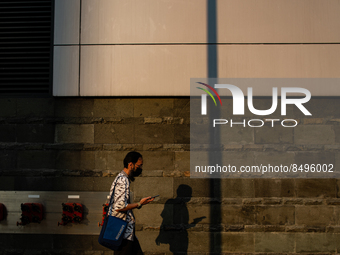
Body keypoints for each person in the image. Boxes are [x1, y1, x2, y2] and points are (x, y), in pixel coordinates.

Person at [108, 151, 154, 255]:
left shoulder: (122, 178)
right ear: (130, 164)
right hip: (123, 233)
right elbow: (119, 206)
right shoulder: (123, 180)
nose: (141, 168)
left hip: (126, 232)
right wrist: (139, 204)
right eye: (139, 165)